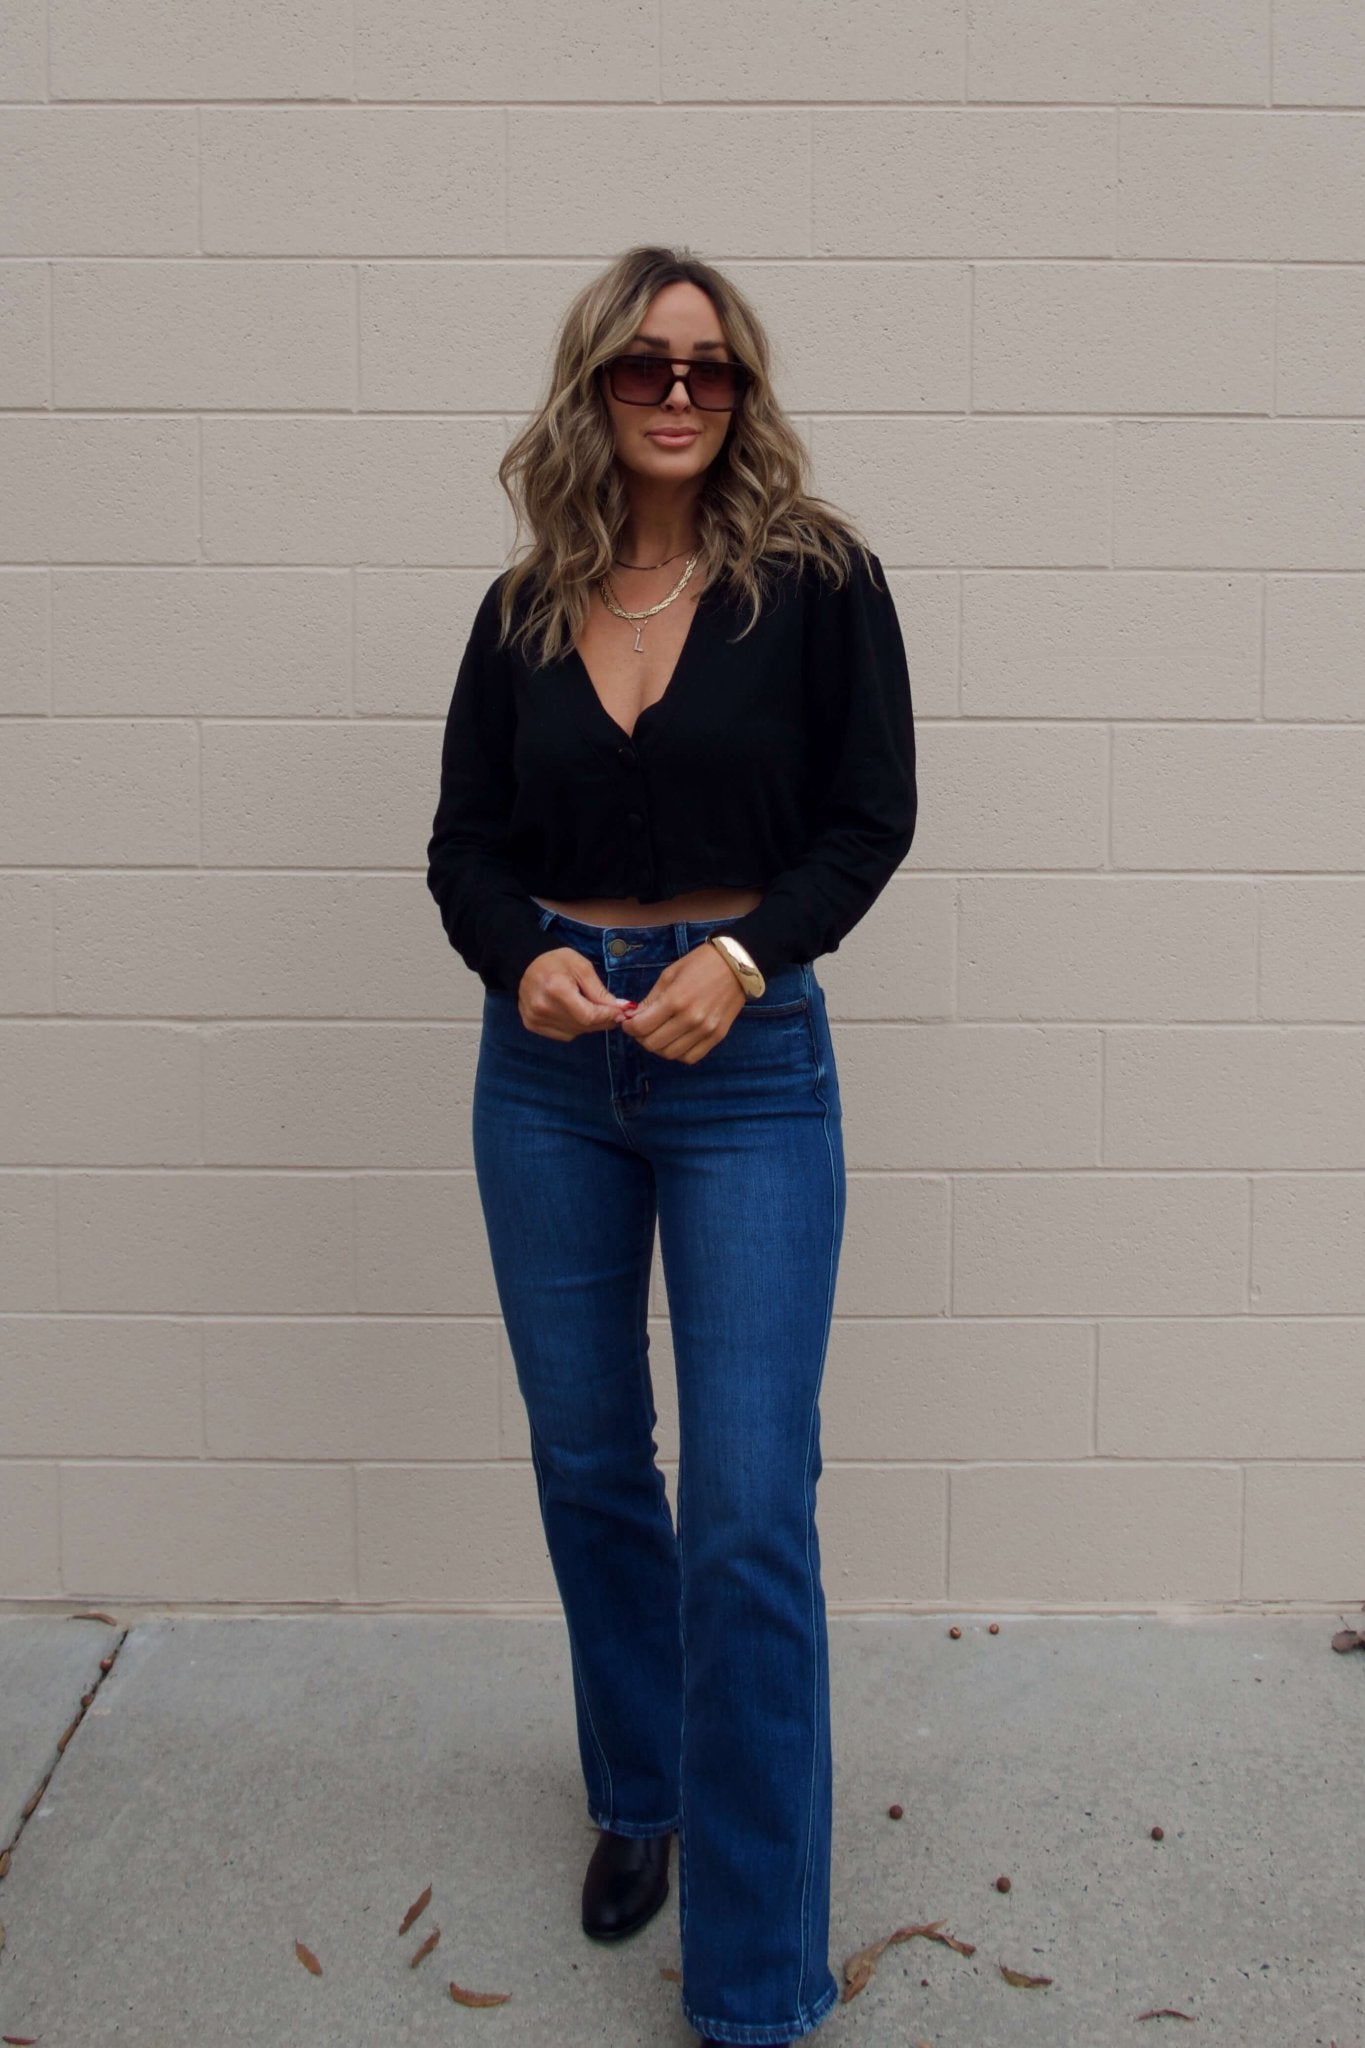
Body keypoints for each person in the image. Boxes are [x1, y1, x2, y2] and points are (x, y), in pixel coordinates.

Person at [425, 243, 917, 2048]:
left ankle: (758, 1991)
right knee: (585, 1465)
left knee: (746, 1515)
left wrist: (736, 954)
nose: (681, 393)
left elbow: (872, 818)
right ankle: (640, 1790)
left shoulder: (816, 584)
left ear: (745, 389)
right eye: (647, 366)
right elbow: (463, 846)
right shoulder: (524, 609)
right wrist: (526, 956)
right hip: (547, 1074)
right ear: (594, 389)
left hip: (748, 1062)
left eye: (711, 366)